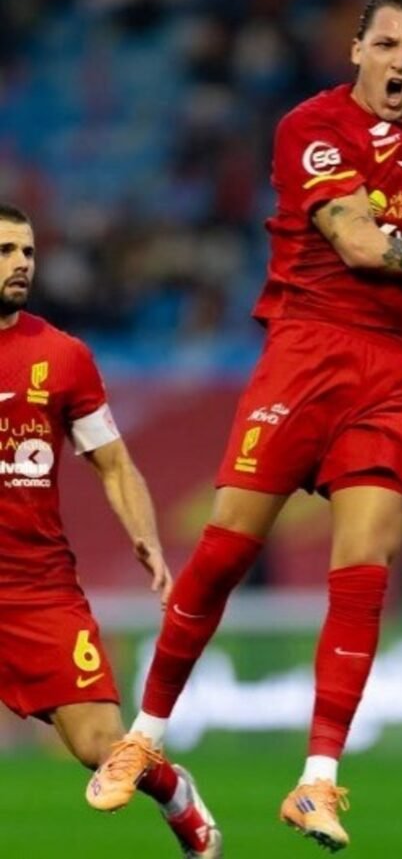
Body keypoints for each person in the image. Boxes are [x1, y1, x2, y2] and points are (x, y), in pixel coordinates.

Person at [87, 0, 402, 852]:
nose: (399, 61)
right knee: (227, 550)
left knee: (365, 566)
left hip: (394, 374)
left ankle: (317, 781)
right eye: (386, 43)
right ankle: (146, 735)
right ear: (356, 48)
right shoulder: (310, 127)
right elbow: (361, 243)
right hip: (308, 350)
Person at [0, 203, 222, 859]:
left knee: (99, 743)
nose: (21, 264)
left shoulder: (62, 356)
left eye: (27, 252)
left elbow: (115, 463)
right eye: (6, 251)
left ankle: (175, 791)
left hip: (35, 590)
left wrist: (144, 536)